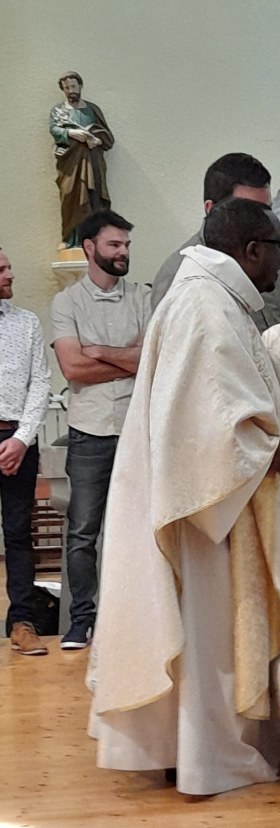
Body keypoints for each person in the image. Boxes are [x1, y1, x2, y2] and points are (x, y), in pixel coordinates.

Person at [87, 198, 280, 797]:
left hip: (204, 497)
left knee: (205, 632)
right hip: (205, 509)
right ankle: (207, 755)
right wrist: (266, 451)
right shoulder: (206, 305)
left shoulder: (210, 296)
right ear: (252, 250)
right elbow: (207, 421)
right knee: (210, 633)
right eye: (277, 249)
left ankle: (186, 749)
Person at [51, 210, 151, 650]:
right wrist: (123, 358)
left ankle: (134, 618)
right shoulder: (67, 302)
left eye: (126, 245)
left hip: (136, 426)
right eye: (114, 245)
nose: (123, 252)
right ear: (90, 248)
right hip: (88, 429)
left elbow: (150, 359)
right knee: (82, 531)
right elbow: (73, 368)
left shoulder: (143, 297)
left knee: (140, 528)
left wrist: (97, 351)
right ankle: (82, 620)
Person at [150, 152, 280, 330]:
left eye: (267, 210)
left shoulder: (268, 252)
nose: (263, 220)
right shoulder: (177, 275)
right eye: (249, 211)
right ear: (211, 209)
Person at [0, 249, 51, 655]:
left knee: (19, 534)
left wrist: (22, 438)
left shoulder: (26, 322)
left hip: (17, 439)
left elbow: (41, 382)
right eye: (1, 269)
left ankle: (22, 622)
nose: (10, 274)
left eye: (9, 266)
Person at [49, 72, 115, 248]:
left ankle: (94, 239)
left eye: (73, 86)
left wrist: (96, 140)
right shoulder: (59, 111)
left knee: (93, 198)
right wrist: (71, 133)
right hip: (70, 164)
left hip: (93, 162)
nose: (71, 90)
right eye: (67, 87)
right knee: (70, 197)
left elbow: (107, 137)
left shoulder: (93, 110)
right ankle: (70, 238)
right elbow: (54, 130)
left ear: (80, 86)